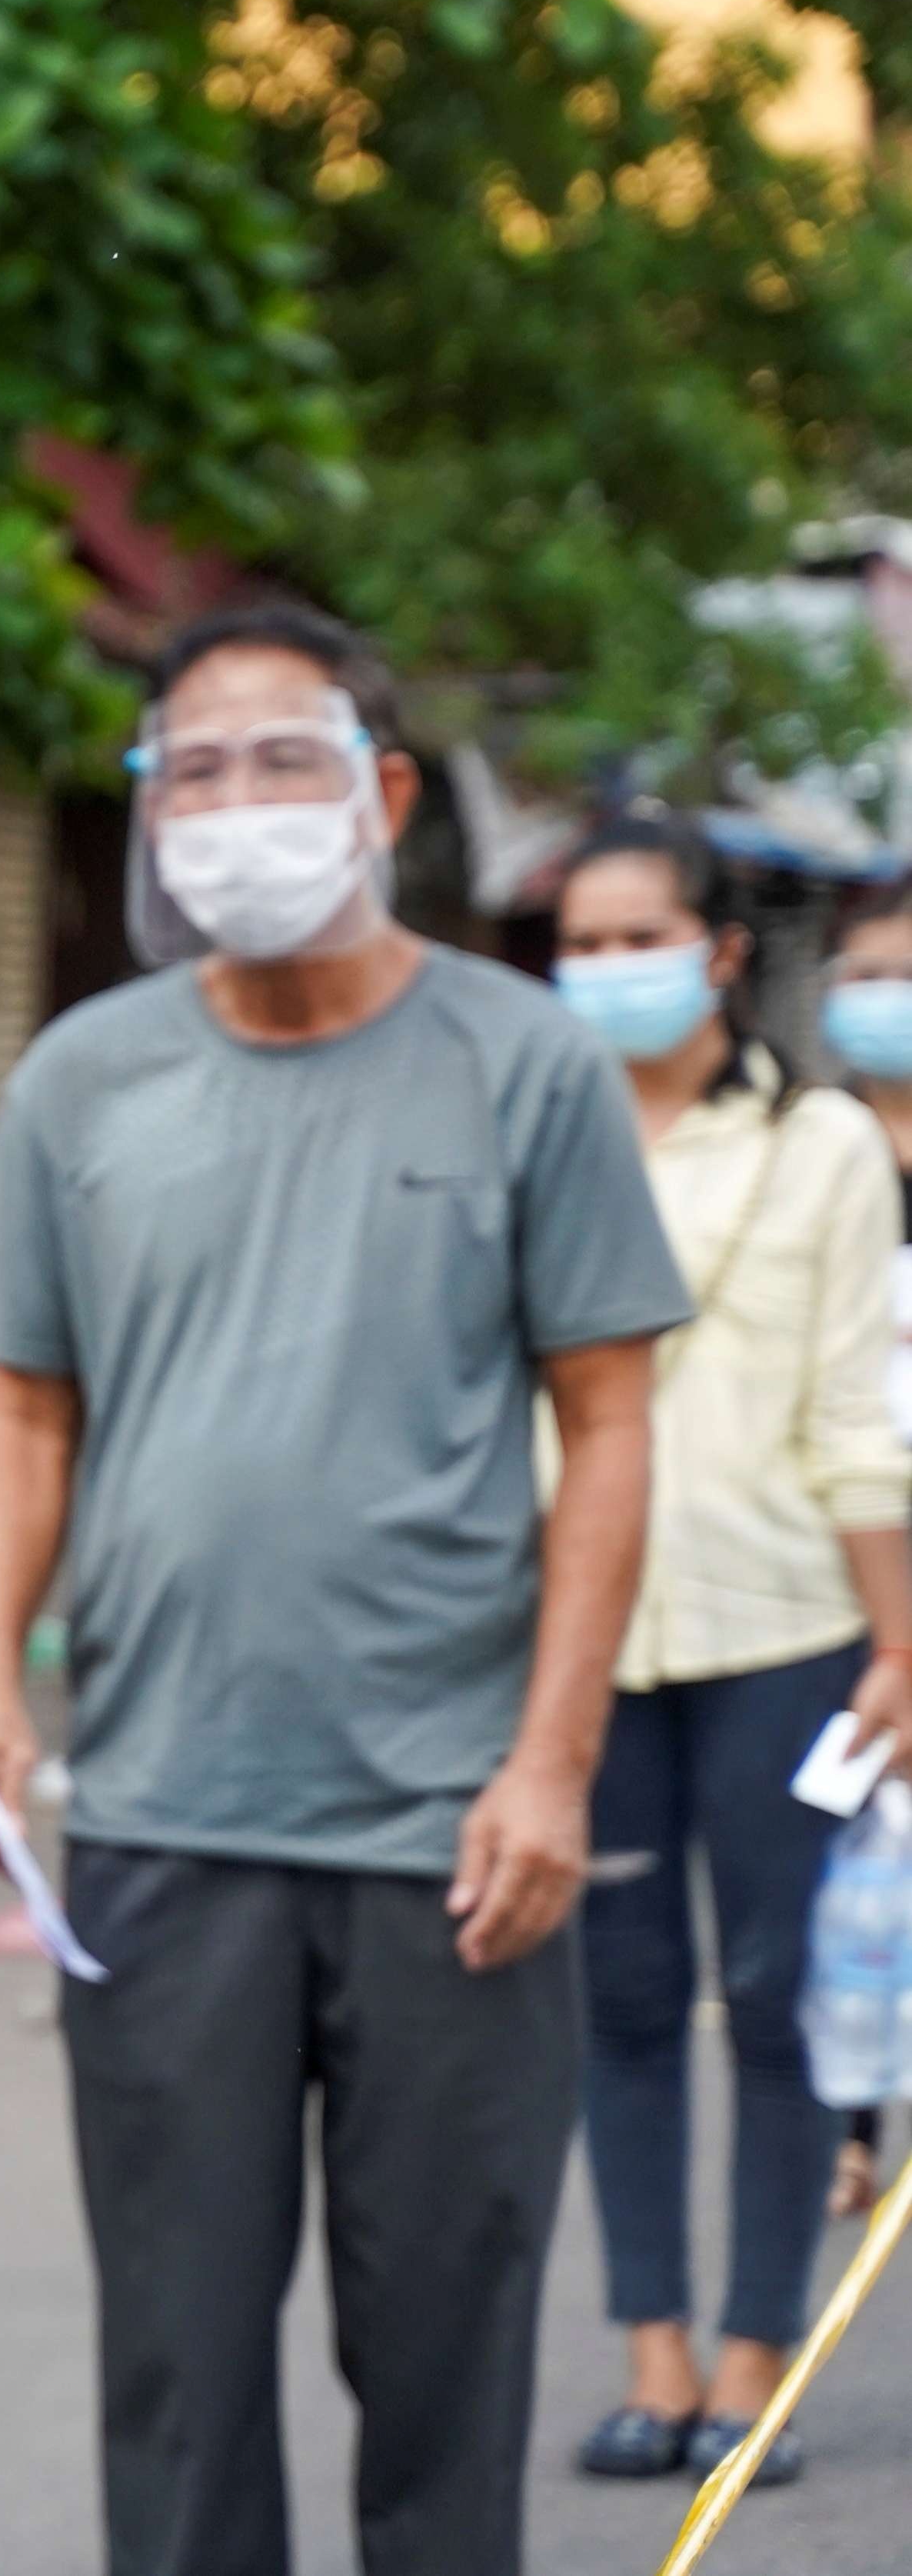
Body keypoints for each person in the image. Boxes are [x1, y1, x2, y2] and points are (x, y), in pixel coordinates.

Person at [0, 605, 689, 2576]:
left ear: (385, 797)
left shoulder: (523, 1065)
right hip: (168, 1828)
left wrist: (552, 1765)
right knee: (173, 2387)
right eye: (192, 768)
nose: (236, 805)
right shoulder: (82, 1081)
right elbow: (15, 1415)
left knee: (443, 2377)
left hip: (459, 1838)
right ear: (144, 811)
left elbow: (604, 1426)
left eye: (286, 762)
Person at [542, 816, 912, 2488]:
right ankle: (650, 2361)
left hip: (782, 1629)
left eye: (636, 935)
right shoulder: (530, 1126)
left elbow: (854, 1407)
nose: (603, 965)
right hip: (577, 1642)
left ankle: (752, 2365)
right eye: (578, 937)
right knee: (613, 2002)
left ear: (710, 953)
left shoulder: (823, 1143)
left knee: (772, 2001)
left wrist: (896, 1636)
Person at [812, 876, 912, 2219]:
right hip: (846, 1541)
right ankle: (845, 2118)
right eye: (865, 973)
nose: (882, 999)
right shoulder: (816, 1150)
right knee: (840, 1836)